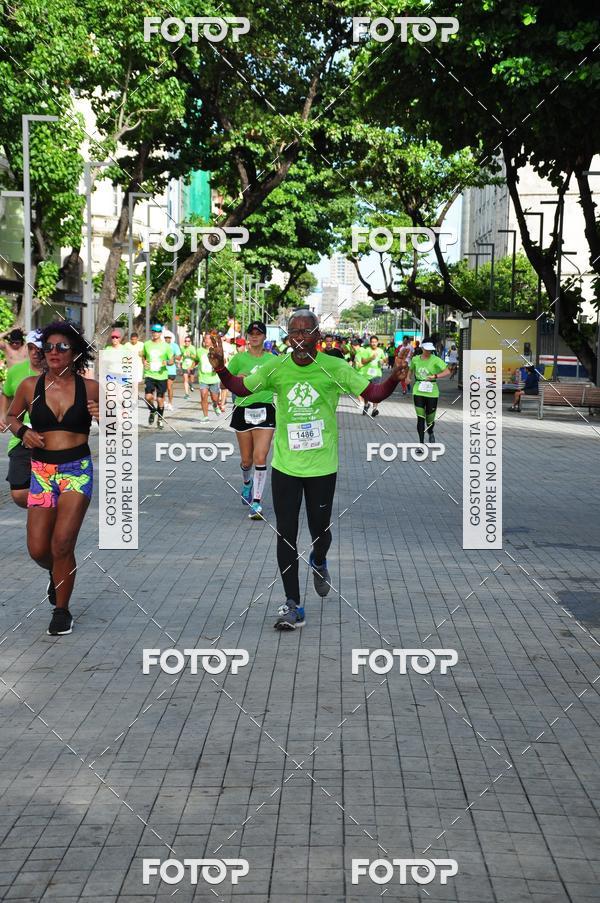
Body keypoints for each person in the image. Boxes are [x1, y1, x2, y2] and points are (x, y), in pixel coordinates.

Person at [210, 309, 406, 630]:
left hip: (322, 467)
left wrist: (394, 378)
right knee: (286, 534)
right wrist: (220, 368)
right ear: (288, 337)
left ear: (317, 336)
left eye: (306, 331)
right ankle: (292, 604)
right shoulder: (277, 367)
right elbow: (241, 388)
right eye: (294, 332)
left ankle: (318, 559)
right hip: (286, 466)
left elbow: (372, 393)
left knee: (320, 531)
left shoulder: (333, 367)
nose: (299, 338)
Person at [5, 321, 99, 636]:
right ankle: (56, 574)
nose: (54, 352)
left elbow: (120, 426)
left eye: (62, 347)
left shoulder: (92, 387)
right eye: (49, 347)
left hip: (76, 471)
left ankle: (62, 611)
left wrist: (107, 415)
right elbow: (11, 417)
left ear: (75, 353)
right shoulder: (30, 386)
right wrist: (24, 432)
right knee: (37, 549)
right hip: (42, 472)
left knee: (62, 543)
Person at [228, 321, 276, 520]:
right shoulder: (238, 359)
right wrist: (236, 379)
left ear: (265, 337)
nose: (255, 336)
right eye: (251, 333)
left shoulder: (273, 360)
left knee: (260, 458)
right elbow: (226, 383)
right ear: (247, 337)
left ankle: (256, 502)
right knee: (247, 460)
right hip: (242, 409)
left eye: (259, 333)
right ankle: (247, 483)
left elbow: (280, 381)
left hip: (265, 408)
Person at [1, 330, 44, 508]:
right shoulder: (16, 370)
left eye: (40, 348)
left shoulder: (58, 372)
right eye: (32, 348)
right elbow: (6, 393)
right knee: (19, 494)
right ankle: (43, 510)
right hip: (21, 433)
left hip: (51, 436)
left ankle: (44, 514)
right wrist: (2, 414)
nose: (35, 352)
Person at [406, 341, 450, 445]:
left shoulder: (436, 360)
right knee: (420, 417)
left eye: (430, 350)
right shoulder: (415, 359)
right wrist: (408, 377)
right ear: (422, 349)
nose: (428, 352)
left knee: (430, 419)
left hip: (432, 391)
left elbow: (447, 371)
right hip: (418, 390)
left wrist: (435, 376)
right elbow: (410, 370)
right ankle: (421, 443)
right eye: (426, 350)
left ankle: (430, 432)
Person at [142, 324, 174, 430]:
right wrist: (144, 362)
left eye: (157, 331)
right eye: (153, 331)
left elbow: (172, 360)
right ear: (152, 332)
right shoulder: (147, 344)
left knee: (160, 399)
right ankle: (152, 410)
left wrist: (167, 362)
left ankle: (160, 419)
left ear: (160, 333)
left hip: (162, 375)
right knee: (148, 397)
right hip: (149, 374)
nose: (155, 333)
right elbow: (143, 356)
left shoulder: (166, 346)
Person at [355, 335, 387, 416]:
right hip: (367, 375)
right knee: (367, 392)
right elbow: (363, 361)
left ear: (377, 342)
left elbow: (385, 360)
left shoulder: (380, 351)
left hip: (377, 374)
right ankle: (366, 405)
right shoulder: (366, 350)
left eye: (375, 342)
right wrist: (371, 358)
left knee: (376, 392)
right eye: (372, 342)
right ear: (370, 342)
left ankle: (374, 409)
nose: (373, 343)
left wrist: (383, 361)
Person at [197, 333, 224, 421]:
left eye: (208, 339)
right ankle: (205, 416)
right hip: (203, 378)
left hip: (214, 378)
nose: (206, 340)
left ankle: (215, 405)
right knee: (203, 396)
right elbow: (196, 360)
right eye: (205, 339)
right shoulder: (199, 351)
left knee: (215, 398)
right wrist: (191, 366)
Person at [163, 333, 181, 410]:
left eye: (169, 338)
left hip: (171, 370)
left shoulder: (174, 346)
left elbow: (179, 357)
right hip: (162, 369)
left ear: (171, 338)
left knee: (169, 387)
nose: (167, 339)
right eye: (166, 338)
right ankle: (163, 402)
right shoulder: (161, 346)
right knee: (162, 387)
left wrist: (174, 356)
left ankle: (170, 403)